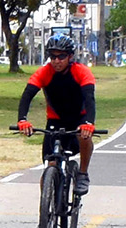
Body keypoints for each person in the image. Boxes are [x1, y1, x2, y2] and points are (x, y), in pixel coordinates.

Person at [14, 32, 96, 189]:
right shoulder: (44, 72)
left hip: (79, 117)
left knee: (84, 136)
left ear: (70, 56)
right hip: (56, 120)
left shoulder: (82, 72)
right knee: (50, 165)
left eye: (61, 56)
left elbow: (89, 99)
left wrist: (89, 123)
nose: (56, 61)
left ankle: (83, 173)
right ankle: (47, 203)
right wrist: (22, 120)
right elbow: (27, 96)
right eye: (52, 56)